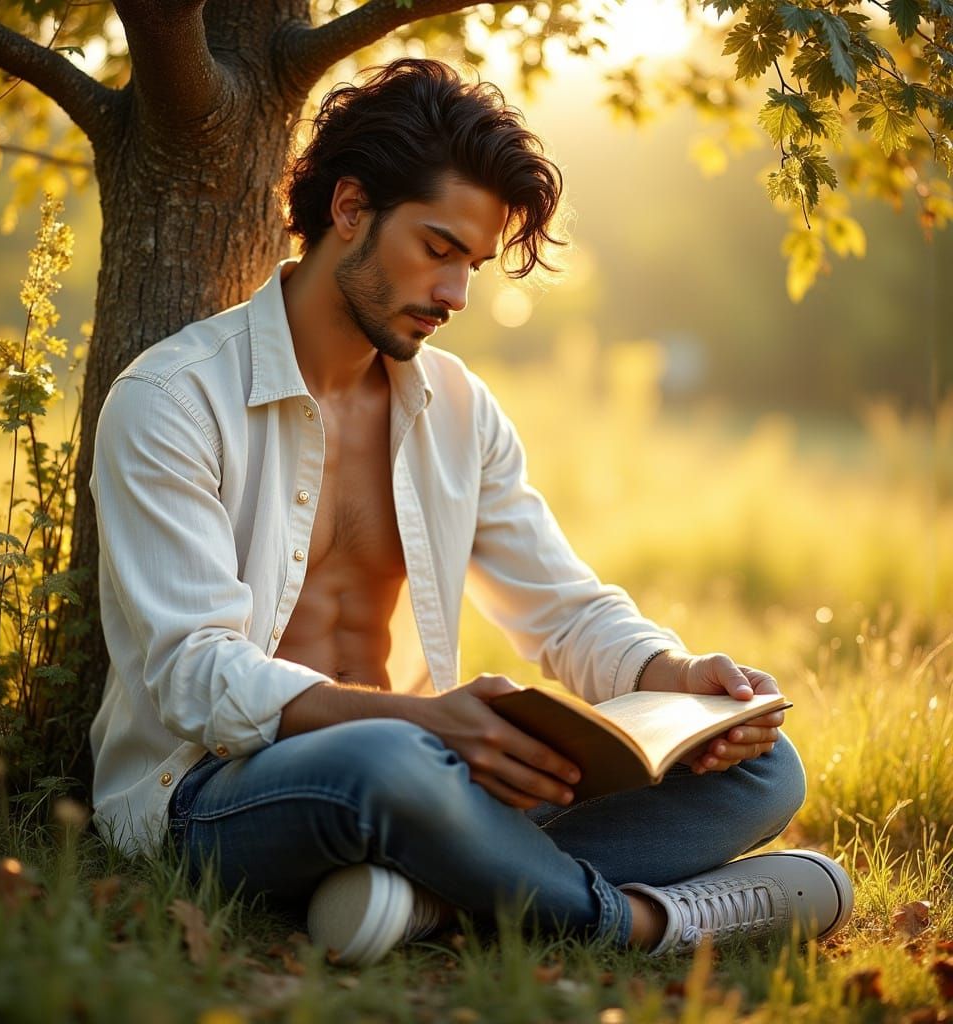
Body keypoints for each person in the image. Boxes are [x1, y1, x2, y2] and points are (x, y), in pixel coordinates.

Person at [89, 58, 853, 966]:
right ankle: (642, 924)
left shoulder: (455, 407)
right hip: (217, 794)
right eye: (438, 249)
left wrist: (676, 675)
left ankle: (426, 902)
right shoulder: (173, 400)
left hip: (429, 777)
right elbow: (192, 674)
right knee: (390, 763)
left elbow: (562, 606)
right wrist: (425, 722)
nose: (456, 296)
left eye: (473, 266)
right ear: (348, 209)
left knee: (762, 767)